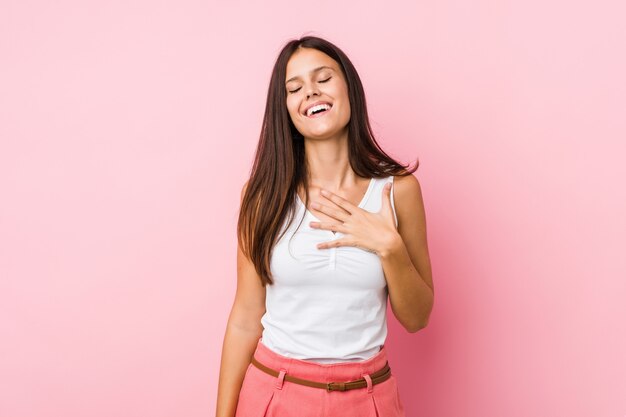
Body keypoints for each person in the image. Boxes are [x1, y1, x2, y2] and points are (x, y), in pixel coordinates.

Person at [215, 35, 434, 417]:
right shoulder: (262, 195)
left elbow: (417, 318)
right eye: (294, 88)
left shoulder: (399, 190)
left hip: (368, 400)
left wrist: (389, 247)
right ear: (285, 109)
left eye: (323, 78)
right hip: (275, 394)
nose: (311, 92)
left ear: (349, 87)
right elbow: (245, 318)